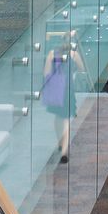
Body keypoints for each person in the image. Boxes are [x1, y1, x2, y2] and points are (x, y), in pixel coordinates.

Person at [41, 29, 85, 164]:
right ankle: (64, 150)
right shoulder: (73, 54)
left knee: (58, 117)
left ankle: (61, 143)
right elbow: (82, 68)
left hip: (56, 91)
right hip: (68, 89)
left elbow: (46, 73)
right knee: (66, 119)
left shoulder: (51, 54)